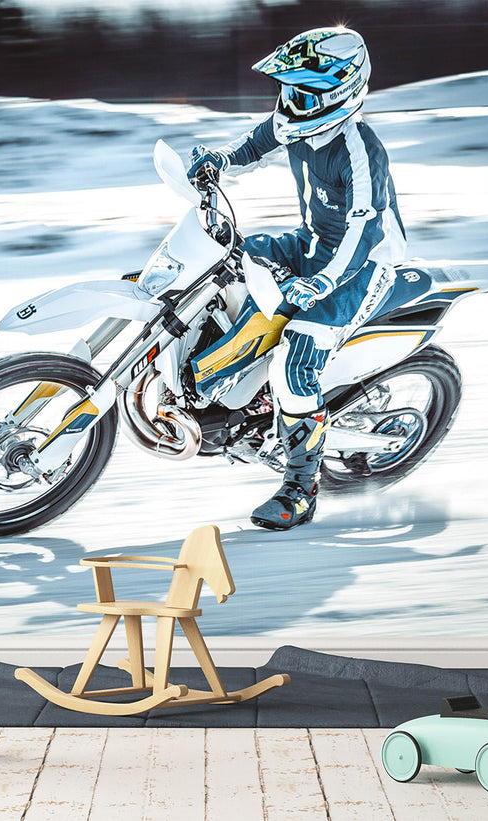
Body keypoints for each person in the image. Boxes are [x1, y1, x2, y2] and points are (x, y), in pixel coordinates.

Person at [186, 26, 407, 530]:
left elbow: (363, 231)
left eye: (302, 93)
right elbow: (257, 141)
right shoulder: (299, 121)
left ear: (338, 94)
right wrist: (220, 160)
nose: (290, 102)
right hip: (313, 242)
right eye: (287, 90)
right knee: (224, 260)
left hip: (361, 265)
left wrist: (322, 283)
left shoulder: (360, 149)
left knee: (296, 356)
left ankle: (300, 492)